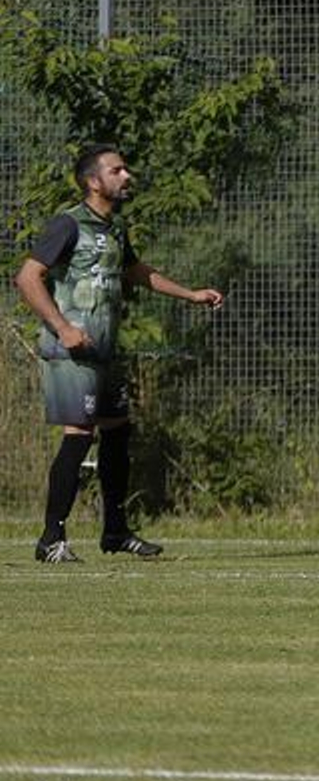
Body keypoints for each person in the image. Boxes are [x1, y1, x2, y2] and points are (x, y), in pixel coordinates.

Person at [15, 144, 223, 563]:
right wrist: (63, 327)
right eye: (117, 170)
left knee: (118, 430)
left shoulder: (114, 228)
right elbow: (27, 277)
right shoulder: (68, 224)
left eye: (125, 168)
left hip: (104, 351)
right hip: (70, 350)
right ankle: (51, 539)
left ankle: (114, 532)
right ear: (94, 181)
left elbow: (136, 271)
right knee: (79, 435)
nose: (127, 175)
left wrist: (191, 295)